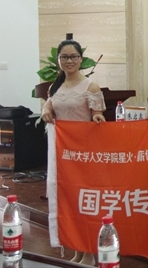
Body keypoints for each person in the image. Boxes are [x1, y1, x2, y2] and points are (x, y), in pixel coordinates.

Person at [40, 39, 106, 266]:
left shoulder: (91, 87)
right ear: (58, 60)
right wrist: (45, 108)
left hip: (84, 155)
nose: (69, 61)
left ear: (81, 59)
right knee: (69, 204)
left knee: (85, 204)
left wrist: (98, 117)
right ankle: (77, 250)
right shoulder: (55, 87)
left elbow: (97, 114)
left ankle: (89, 252)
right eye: (64, 57)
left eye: (73, 56)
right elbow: (50, 105)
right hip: (62, 156)